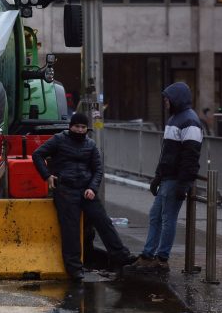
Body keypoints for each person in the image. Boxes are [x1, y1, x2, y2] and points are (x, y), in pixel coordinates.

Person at [32, 112, 136, 281]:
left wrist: (92, 188)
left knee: (104, 222)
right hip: (65, 190)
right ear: (70, 127)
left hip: (86, 190)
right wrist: (47, 176)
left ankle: (121, 256)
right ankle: (74, 268)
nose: (80, 130)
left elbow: (98, 169)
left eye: (83, 127)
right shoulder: (59, 140)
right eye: (77, 127)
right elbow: (37, 154)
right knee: (70, 230)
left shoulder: (90, 144)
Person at [134, 82, 202, 273]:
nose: (165, 101)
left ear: (176, 99)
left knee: (167, 219)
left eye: (167, 98)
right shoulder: (175, 119)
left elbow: (190, 156)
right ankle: (148, 255)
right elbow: (167, 153)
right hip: (168, 178)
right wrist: (158, 176)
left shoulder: (189, 121)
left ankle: (161, 258)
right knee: (156, 216)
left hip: (175, 179)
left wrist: (183, 183)